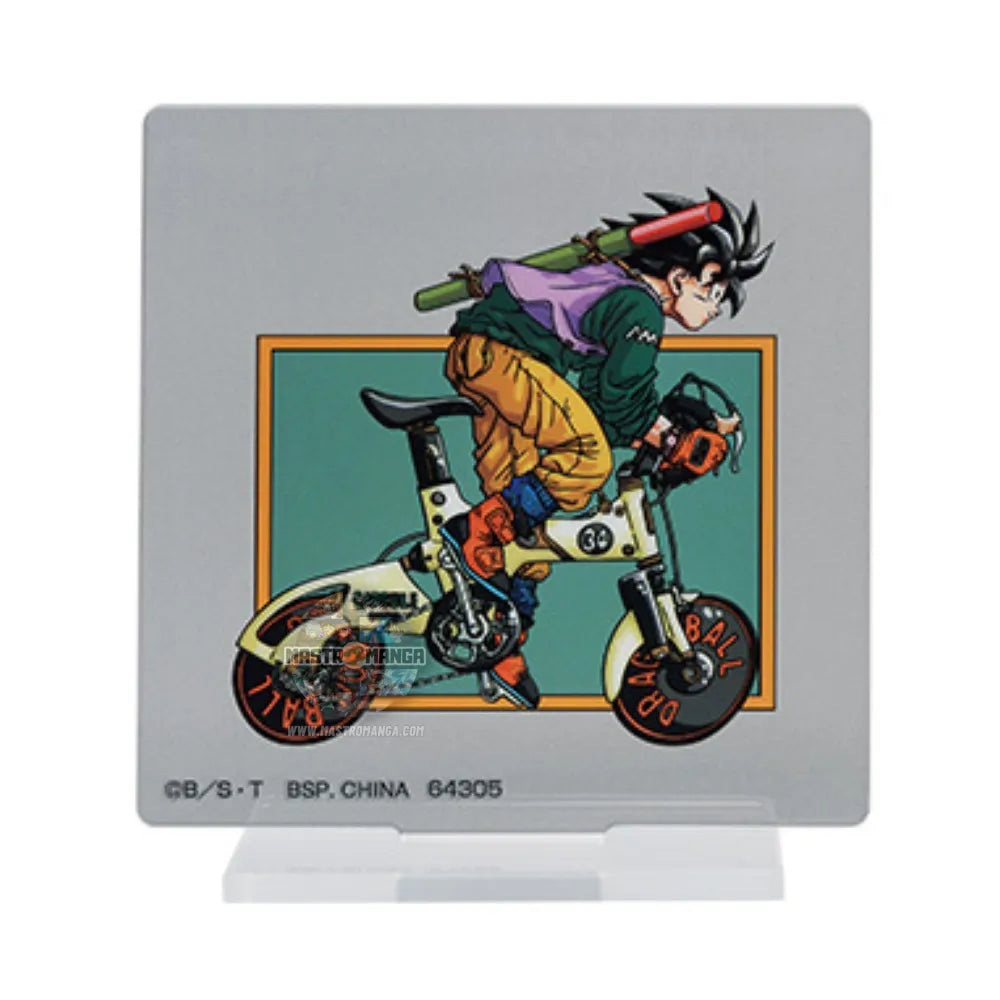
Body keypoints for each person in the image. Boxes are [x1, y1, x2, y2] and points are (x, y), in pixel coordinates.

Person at [440, 190, 773, 708]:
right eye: (713, 293)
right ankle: (472, 531)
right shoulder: (640, 308)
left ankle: (500, 647)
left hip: (489, 359)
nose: (714, 309)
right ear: (683, 277)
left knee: (526, 540)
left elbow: (603, 402)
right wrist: (672, 438)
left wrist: (673, 428)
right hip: (503, 358)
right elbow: (620, 403)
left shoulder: (618, 292)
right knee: (586, 459)